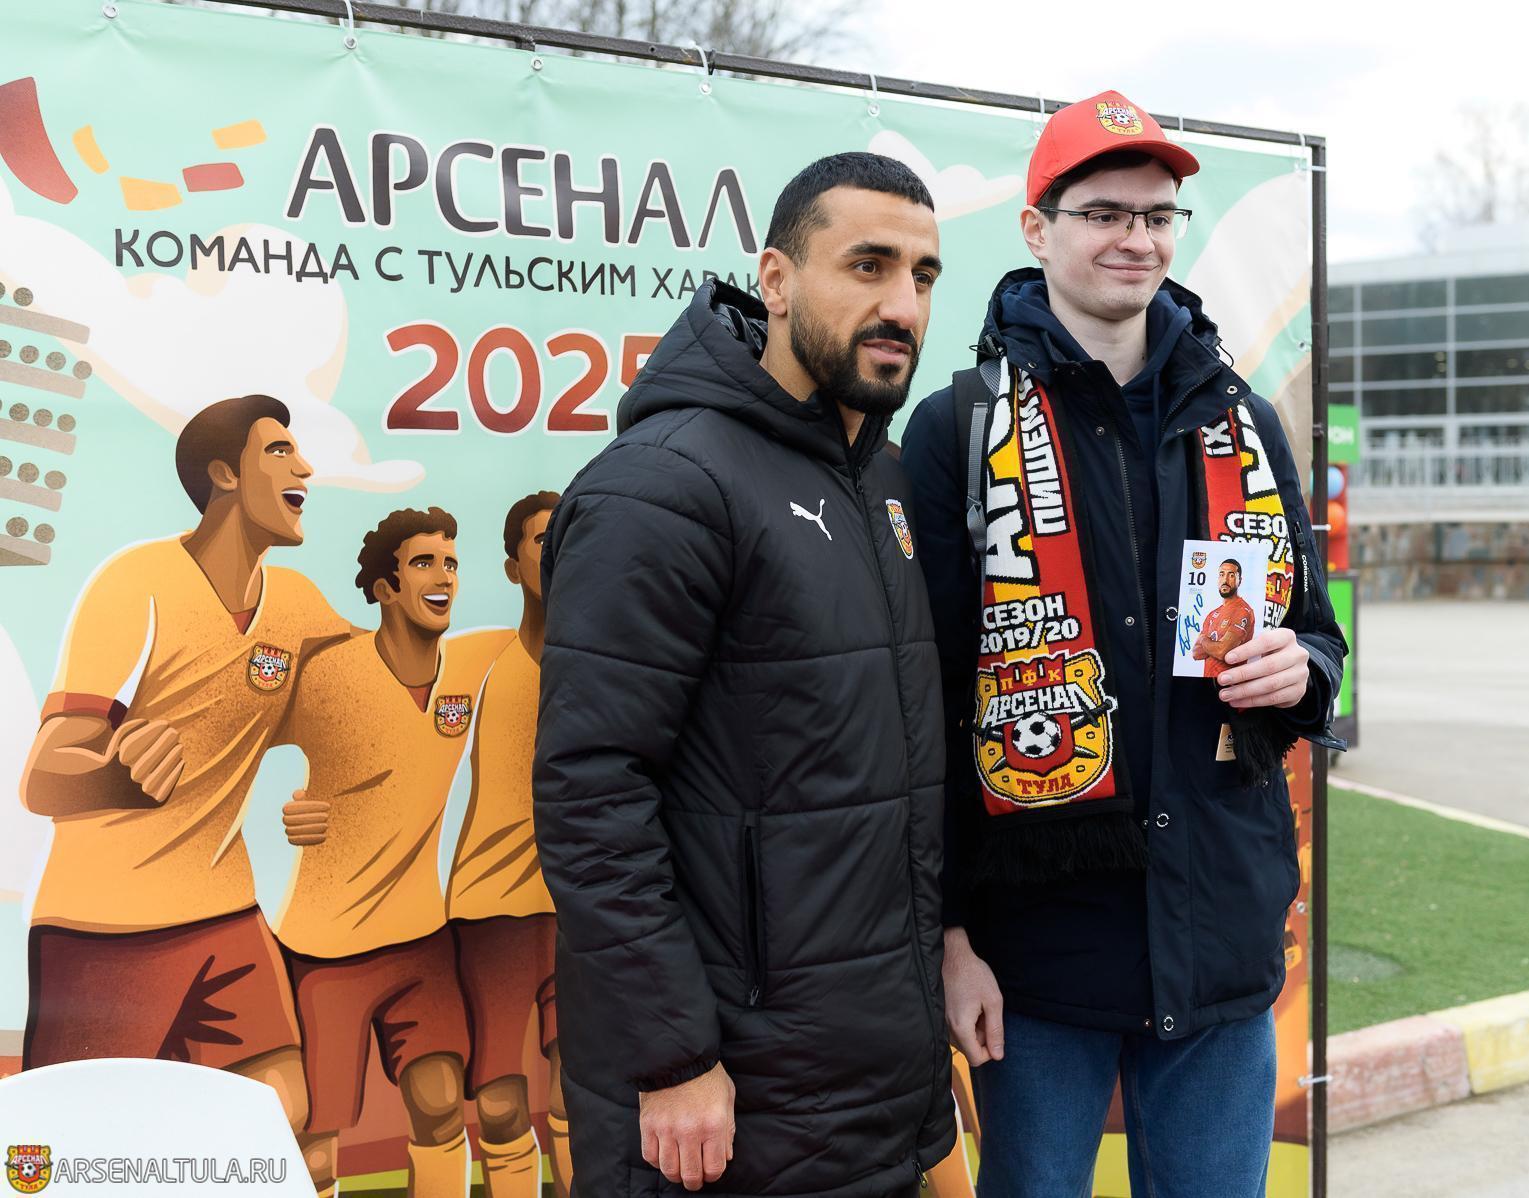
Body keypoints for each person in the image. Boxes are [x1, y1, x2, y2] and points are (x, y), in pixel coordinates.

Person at [901, 91, 1347, 1197]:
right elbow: (922, 707)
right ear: (1037, 229)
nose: (1135, 239)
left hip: (1219, 936)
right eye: (1103, 213)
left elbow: (1319, 640)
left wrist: (1300, 669)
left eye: (1156, 216)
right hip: (1039, 957)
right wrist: (949, 935)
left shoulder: (1244, 422)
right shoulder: (959, 429)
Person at [534, 152, 955, 1197]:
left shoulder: (881, 477)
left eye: (923, 275)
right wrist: (670, 1054)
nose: (902, 305)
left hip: (865, 1090)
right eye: (867, 265)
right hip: (723, 1108)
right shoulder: (662, 485)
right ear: (775, 279)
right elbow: (591, 794)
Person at [19, 395, 353, 1134]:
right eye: (280, 452)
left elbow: (374, 704)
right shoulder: (136, 582)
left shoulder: (298, 604)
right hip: (105, 930)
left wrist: (326, 800)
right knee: (78, 1151)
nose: (304, 468)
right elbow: (43, 776)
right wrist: (114, 777)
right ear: (224, 474)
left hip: (225, 914)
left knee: (279, 1115)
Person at [273, 506, 509, 1198]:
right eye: (424, 562)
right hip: (327, 950)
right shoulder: (329, 671)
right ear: (385, 586)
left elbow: (546, 639)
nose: (444, 576)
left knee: (440, 1106)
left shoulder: (475, 661)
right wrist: (288, 809)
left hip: (421, 942)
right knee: (316, 1140)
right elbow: (241, 738)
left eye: (452, 563)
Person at [445, 490, 572, 1198]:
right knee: (498, 1102)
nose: (558, 551)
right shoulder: (474, 660)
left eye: (570, 536)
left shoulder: (616, 661)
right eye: (543, 539)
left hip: (580, 911)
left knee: (579, 1086)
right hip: (491, 910)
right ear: (510, 565)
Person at [1193, 558, 1255, 677]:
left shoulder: (1243, 611)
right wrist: (1214, 645)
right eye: (1222, 574)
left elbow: (1221, 651)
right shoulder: (1212, 614)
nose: (1225, 580)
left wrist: (1203, 640)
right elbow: (1196, 653)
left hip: (1232, 683)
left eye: (1231, 575)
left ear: (1240, 580)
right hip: (1205, 682)